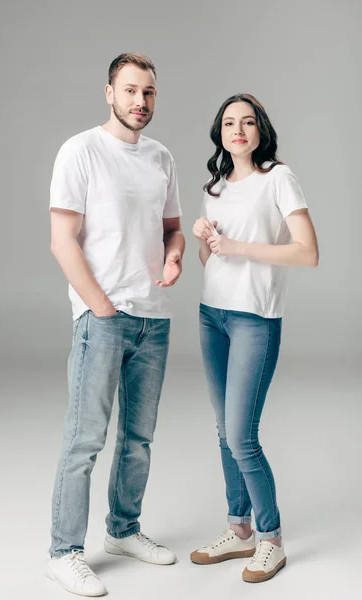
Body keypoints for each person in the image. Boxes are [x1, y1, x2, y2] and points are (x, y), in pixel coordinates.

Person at [46, 52, 184, 597]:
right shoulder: (80, 151)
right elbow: (62, 241)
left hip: (154, 318)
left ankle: (123, 530)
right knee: (84, 439)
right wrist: (100, 305)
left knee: (139, 438)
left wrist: (174, 257)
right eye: (129, 91)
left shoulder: (161, 157)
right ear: (109, 93)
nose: (139, 102)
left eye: (148, 92)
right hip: (102, 317)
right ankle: (64, 551)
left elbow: (173, 229)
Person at [191, 94, 319, 583]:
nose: (238, 129)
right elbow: (211, 261)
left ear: (260, 129)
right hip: (212, 315)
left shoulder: (279, 178)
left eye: (247, 122)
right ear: (219, 133)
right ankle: (239, 529)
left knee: (242, 435)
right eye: (229, 122)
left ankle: (271, 540)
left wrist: (238, 246)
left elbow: (308, 253)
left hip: (254, 319)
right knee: (225, 432)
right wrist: (206, 239)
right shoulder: (216, 186)